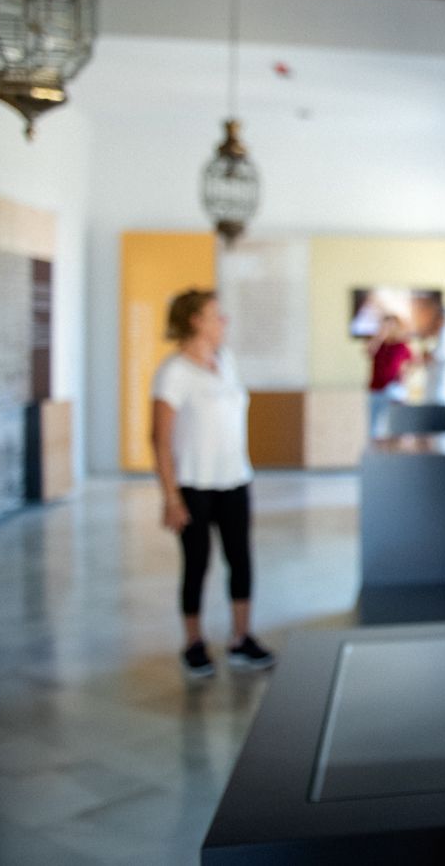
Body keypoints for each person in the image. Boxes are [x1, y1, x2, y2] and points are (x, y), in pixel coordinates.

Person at [150, 288, 275, 679]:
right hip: (194, 485)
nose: (224, 322)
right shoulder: (173, 373)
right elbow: (159, 438)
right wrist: (170, 497)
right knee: (197, 563)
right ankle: (193, 643)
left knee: (240, 559)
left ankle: (241, 638)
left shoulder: (227, 362)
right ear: (195, 321)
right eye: (216, 315)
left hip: (234, 479)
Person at [366, 313, 413, 437]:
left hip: (393, 389)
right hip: (376, 389)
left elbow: (414, 362)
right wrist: (380, 336)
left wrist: (405, 375)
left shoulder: (401, 346)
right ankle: (377, 453)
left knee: (395, 426)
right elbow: (369, 351)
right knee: (374, 428)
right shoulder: (379, 344)